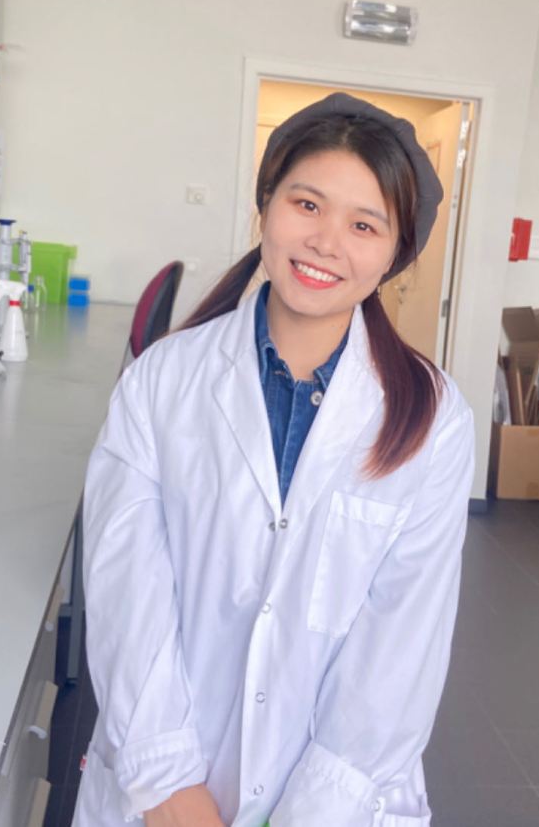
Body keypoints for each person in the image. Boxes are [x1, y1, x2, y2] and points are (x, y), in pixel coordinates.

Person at [72, 93, 476, 827]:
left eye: (364, 225)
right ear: (266, 206)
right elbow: (125, 588)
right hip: (165, 787)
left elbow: (402, 642)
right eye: (307, 204)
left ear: (395, 254)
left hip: (335, 799)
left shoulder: (432, 417)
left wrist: (318, 808)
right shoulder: (163, 380)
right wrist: (166, 785)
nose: (326, 242)